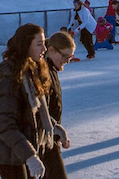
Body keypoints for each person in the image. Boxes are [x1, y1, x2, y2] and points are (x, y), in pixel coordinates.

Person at [0, 23, 68, 179]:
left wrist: (55, 128)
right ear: (25, 46)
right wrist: (30, 156)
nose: (44, 49)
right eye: (39, 44)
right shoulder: (8, 77)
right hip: (9, 154)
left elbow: (35, 112)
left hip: (24, 149)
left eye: (44, 44)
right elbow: (6, 125)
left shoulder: (32, 70)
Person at [42, 31, 75, 179]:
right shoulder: (43, 71)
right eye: (65, 56)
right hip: (43, 136)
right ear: (52, 50)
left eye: (71, 57)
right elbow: (39, 109)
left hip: (50, 134)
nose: (67, 61)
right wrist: (56, 129)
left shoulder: (52, 69)